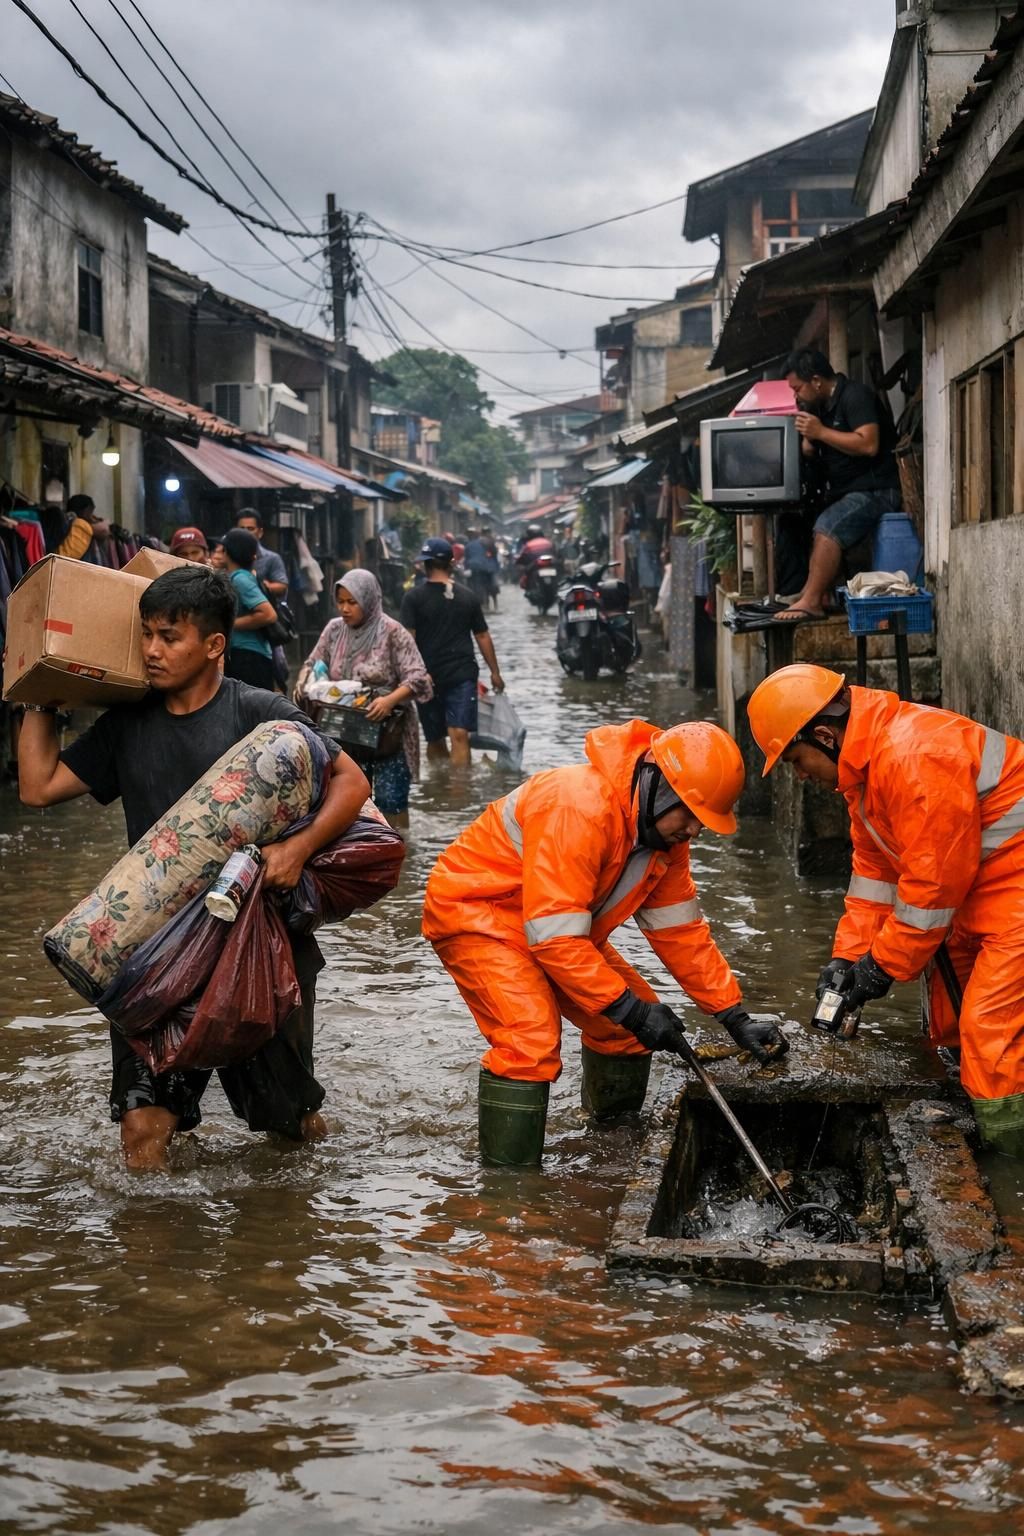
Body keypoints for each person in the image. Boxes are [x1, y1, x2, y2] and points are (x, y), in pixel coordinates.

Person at [17, 565, 371, 1172]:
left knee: (287, 1129)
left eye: (170, 637)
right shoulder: (127, 723)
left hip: (258, 944)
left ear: (214, 645)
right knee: (143, 1127)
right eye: (147, 634)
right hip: (154, 955)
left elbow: (352, 782)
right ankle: (156, 1253)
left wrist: (298, 848)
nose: (152, 650)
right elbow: (38, 787)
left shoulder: (259, 713)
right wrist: (41, 691)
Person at [423, 719, 788, 1164]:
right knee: (530, 1040)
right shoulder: (579, 804)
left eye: (703, 823)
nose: (694, 831)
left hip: (556, 930)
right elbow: (555, 940)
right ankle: (510, 1196)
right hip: (480, 914)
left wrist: (733, 1016)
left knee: (627, 1033)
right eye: (691, 815)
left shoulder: (665, 842)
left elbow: (680, 932)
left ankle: (608, 1152)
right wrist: (632, 1010)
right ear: (661, 789)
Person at [747, 663, 1024, 1156]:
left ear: (825, 735)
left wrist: (882, 966)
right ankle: (980, 1117)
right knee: (948, 1023)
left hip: (1011, 889)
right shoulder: (867, 775)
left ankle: (1007, 1159)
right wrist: (847, 959)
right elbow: (874, 876)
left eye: (794, 759)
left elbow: (932, 887)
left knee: (988, 1033)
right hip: (983, 888)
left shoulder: (913, 756)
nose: (799, 775)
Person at [299, 569, 432, 828]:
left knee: (390, 801)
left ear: (369, 600)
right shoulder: (334, 629)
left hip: (387, 733)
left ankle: (400, 853)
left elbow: (418, 678)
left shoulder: (393, 632)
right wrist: (303, 682)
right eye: (341, 602)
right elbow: (313, 662)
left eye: (352, 602)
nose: (345, 609)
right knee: (349, 801)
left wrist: (389, 700)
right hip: (344, 730)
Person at [777, 349, 901, 622]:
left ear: (817, 381)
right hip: (845, 491)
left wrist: (821, 432)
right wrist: (810, 441)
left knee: (828, 526)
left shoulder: (855, 396)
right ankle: (815, 593)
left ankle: (811, 602)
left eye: (797, 388)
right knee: (795, 520)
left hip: (877, 489)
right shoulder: (819, 408)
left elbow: (868, 444)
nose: (795, 396)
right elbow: (814, 454)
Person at [399, 537, 505, 767]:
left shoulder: (414, 598)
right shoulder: (460, 596)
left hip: (453, 676)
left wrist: (409, 675)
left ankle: (447, 793)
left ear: (425, 565)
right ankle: (458, 793)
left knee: (440, 738)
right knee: (454, 735)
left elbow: (407, 643)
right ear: (452, 563)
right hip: (432, 678)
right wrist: (495, 672)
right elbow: (483, 636)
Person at [236, 509, 290, 687]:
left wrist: (260, 585)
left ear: (260, 531)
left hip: (265, 631)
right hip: (240, 637)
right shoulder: (229, 556)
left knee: (275, 671)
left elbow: (282, 586)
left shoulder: (271, 558)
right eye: (242, 528)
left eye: (250, 528)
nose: (246, 532)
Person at [220, 528, 276, 691]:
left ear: (227, 552)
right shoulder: (240, 576)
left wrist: (230, 624)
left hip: (249, 658)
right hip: (246, 657)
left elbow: (268, 614)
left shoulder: (240, 579)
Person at [57, 494, 108, 560]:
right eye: (91, 511)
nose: (92, 516)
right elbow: (104, 530)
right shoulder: (81, 525)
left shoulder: (67, 522)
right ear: (85, 511)